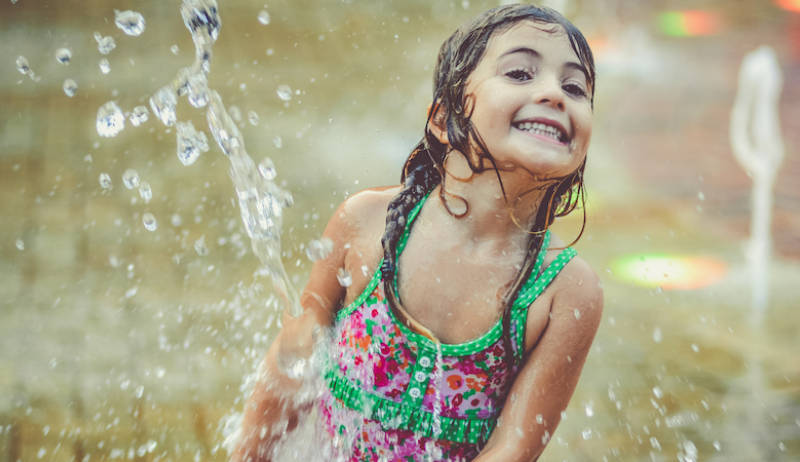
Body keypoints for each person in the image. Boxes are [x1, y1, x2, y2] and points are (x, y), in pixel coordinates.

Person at [231, 3, 603, 461]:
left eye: (574, 86)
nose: (554, 94)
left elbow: (512, 449)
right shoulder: (366, 224)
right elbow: (293, 364)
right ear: (444, 119)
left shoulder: (565, 291)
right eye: (520, 74)